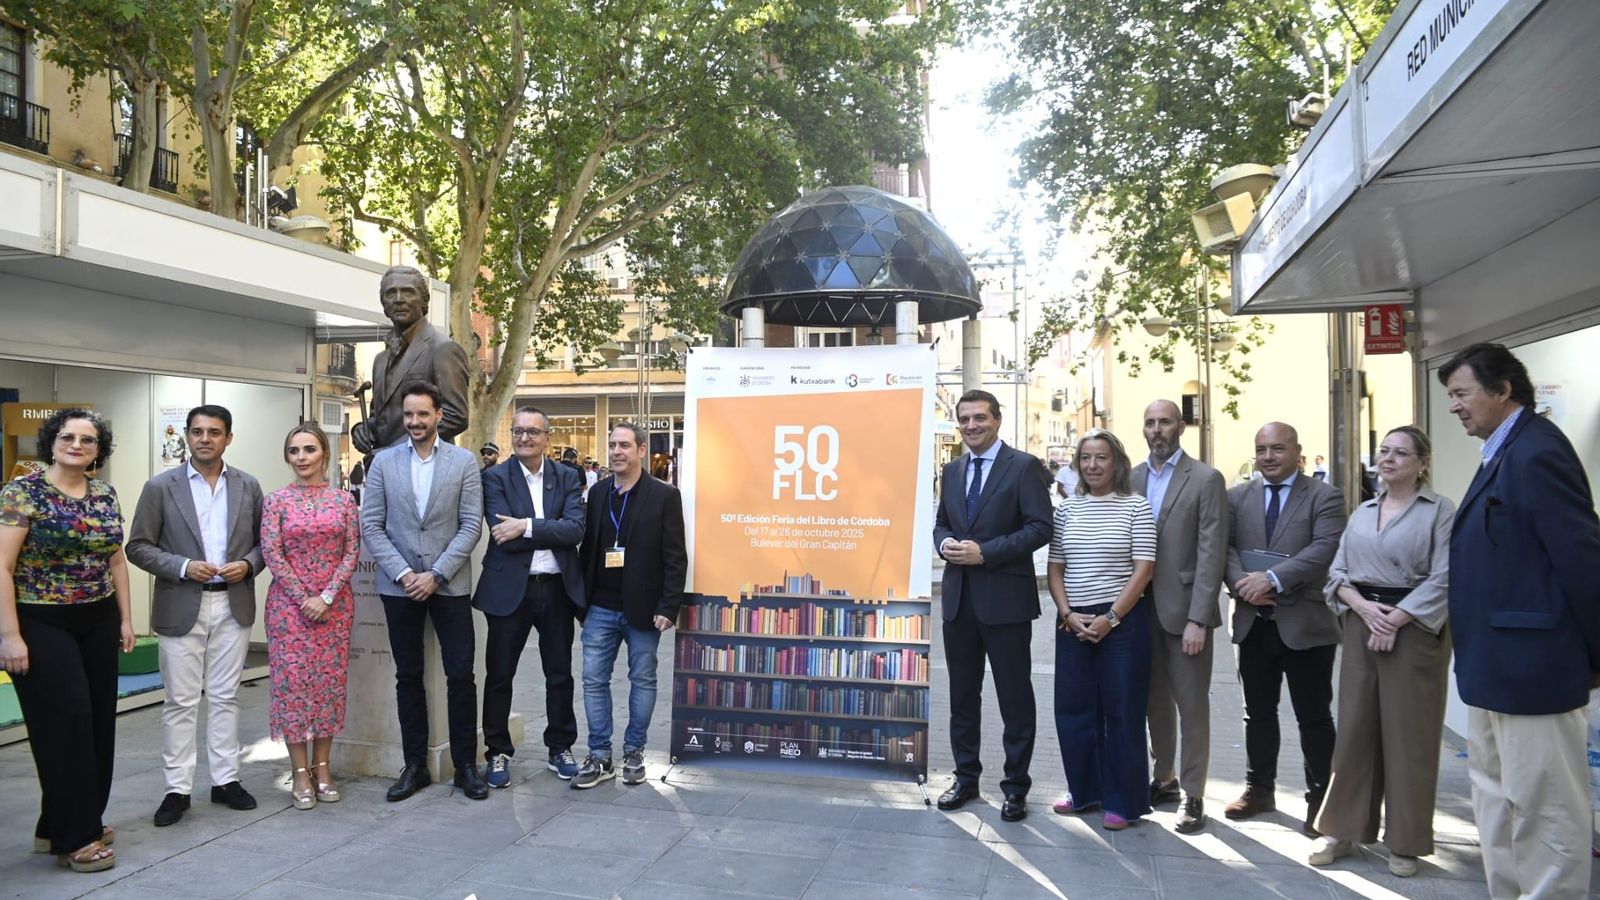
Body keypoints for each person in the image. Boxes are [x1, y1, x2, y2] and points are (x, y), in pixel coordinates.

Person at [1439, 342, 1600, 898]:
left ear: (1503, 390)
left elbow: (1582, 559)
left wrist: (1595, 659)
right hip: (1493, 669)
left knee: (1546, 812)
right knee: (1498, 802)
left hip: (1535, 671)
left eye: (1462, 394)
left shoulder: (1537, 451)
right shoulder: (1501, 453)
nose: (1454, 406)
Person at [1309, 426, 1454, 877]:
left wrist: (1396, 618)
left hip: (1413, 631)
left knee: (1408, 737)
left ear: (1422, 462)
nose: (1387, 459)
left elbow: (1447, 575)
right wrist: (1364, 609)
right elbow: (1336, 573)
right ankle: (1342, 827)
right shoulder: (1362, 511)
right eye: (1383, 451)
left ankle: (1406, 842)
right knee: (1354, 728)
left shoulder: (1440, 511)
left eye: (1399, 453)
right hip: (1360, 626)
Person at [0, 409, 133, 872]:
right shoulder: (22, 492)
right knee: (67, 722)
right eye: (68, 436)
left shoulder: (104, 494)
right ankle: (77, 837)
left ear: (99, 449)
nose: (77, 444)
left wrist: (125, 619)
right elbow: (2, 567)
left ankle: (64, 821)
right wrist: (10, 635)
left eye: (88, 439)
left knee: (98, 722)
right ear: (51, 441)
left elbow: (116, 560)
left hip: (97, 619)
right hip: (41, 621)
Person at [126, 405, 265, 827]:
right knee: (181, 701)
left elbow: (265, 543)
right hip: (180, 600)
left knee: (226, 696)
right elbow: (138, 546)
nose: (206, 439)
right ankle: (177, 789)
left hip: (232, 601)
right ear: (187, 436)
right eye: (198, 432)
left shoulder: (248, 485)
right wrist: (184, 566)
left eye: (215, 432)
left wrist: (249, 563)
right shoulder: (160, 487)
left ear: (228, 438)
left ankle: (226, 781)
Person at [360, 382, 486, 801]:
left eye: (422, 414)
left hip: (449, 586)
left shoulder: (464, 462)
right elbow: (372, 525)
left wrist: (436, 573)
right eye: (409, 414)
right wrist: (402, 573)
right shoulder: (382, 463)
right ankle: (414, 766)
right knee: (408, 675)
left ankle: (466, 766)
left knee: (461, 675)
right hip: (399, 589)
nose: (414, 422)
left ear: (439, 417)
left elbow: (471, 524)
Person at [931, 390, 1052, 821]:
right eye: (964, 419)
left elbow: (1041, 527)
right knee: (962, 697)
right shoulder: (952, 470)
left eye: (979, 418)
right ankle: (965, 779)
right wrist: (944, 542)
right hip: (959, 602)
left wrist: (987, 552)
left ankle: (1016, 787)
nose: (970, 426)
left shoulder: (1023, 467)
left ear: (997, 420)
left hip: (1006, 602)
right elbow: (942, 521)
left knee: (1014, 698)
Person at [1222, 421, 1346, 835]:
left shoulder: (1325, 496)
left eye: (1277, 448)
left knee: (1313, 717)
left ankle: (1321, 801)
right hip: (1252, 622)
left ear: (1298, 451)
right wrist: (1244, 584)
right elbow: (1226, 547)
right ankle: (1259, 790)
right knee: (1256, 713)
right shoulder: (1237, 496)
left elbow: (1324, 549)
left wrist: (1271, 579)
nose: (1268, 457)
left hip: (1306, 624)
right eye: (1261, 449)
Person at [1047, 429, 1156, 830]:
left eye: (1102, 458)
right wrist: (1066, 612)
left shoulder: (1136, 507)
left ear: (1117, 463)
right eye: (1086, 458)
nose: (1093, 465)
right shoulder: (1066, 511)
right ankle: (1084, 792)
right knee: (1074, 712)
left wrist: (1110, 618)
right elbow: (1055, 567)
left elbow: (1144, 569)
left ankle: (1123, 801)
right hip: (1072, 621)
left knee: (1122, 713)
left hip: (1122, 626)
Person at [474, 406, 586, 787]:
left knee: (559, 675)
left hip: (555, 589)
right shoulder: (494, 477)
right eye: (518, 432)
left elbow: (574, 530)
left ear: (547, 438)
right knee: (499, 675)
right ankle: (498, 752)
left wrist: (526, 525)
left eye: (533, 432)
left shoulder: (568, 476)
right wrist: (539, 529)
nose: (524, 438)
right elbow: (499, 532)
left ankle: (560, 747)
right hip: (509, 591)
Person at [573, 423, 686, 788]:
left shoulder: (664, 496)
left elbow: (675, 557)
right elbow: (588, 548)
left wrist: (668, 607)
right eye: (612, 445)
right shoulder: (599, 492)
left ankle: (634, 751)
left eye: (624, 445)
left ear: (641, 450)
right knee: (593, 681)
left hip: (643, 609)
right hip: (600, 608)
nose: (616, 451)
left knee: (643, 679)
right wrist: (582, 602)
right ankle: (600, 755)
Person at [1132, 400, 1227, 833]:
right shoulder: (1130, 477)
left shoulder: (1206, 479)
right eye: (1150, 423)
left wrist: (1199, 618)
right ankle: (1163, 778)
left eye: (1165, 422)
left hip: (1185, 610)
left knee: (1191, 704)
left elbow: (1212, 553)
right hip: (1137, 609)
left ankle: (1194, 794)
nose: (1157, 430)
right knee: (1154, 702)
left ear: (1181, 426)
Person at [259, 423, 361, 811]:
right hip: (289, 609)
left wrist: (328, 595)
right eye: (294, 451)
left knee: (328, 688)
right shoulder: (276, 501)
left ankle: (323, 767)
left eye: (309, 450)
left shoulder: (343, 501)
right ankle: (299, 771)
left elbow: (352, 551)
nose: (301, 457)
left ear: (324, 455)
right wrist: (305, 598)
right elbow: (272, 553)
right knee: (293, 687)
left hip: (335, 607)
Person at [350, 266, 470, 458]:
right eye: (391, 293)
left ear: (424, 300)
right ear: (383, 304)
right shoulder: (380, 360)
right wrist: (362, 429)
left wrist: (394, 452)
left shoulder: (443, 349)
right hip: (383, 472)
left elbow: (456, 416)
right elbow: (380, 418)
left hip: (428, 468)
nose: (398, 299)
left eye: (408, 292)